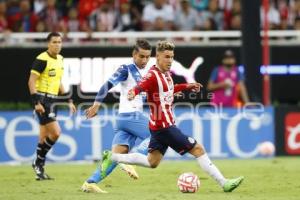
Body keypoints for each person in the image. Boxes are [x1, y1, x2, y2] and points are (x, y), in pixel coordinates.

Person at [101, 40, 244, 192]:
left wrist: (186, 86)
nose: (170, 60)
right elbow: (141, 86)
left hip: (157, 127)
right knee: (198, 149)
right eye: (167, 57)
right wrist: (133, 92)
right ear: (158, 57)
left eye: (172, 57)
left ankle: (113, 157)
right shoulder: (153, 74)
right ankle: (224, 183)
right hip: (165, 127)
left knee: (152, 162)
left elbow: (169, 88)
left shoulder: (166, 74)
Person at [81, 39, 152, 193]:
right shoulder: (126, 68)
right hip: (130, 115)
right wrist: (96, 105)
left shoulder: (144, 73)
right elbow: (106, 85)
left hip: (126, 119)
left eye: (147, 57)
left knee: (115, 157)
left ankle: (90, 182)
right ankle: (131, 160)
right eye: (141, 56)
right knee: (158, 134)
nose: (144, 60)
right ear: (134, 54)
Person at [28, 32, 76, 180]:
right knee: (56, 133)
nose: (57, 45)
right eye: (54, 42)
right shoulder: (42, 59)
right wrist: (36, 102)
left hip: (52, 100)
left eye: (59, 42)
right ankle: (37, 162)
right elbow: (31, 81)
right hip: (42, 100)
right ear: (48, 44)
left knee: (43, 137)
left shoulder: (60, 59)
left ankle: (39, 169)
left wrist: (69, 100)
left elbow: (59, 82)